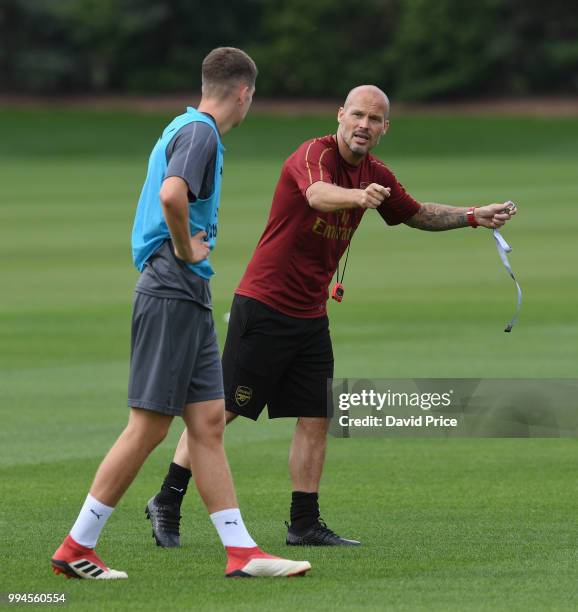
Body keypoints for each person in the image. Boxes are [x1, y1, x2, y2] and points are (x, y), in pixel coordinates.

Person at [146, 84, 517, 549]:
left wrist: (471, 215)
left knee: (316, 415)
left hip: (310, 313)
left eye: (375, 119)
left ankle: (303, 523)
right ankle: (167, 498)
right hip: (264, 305)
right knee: (225, 411)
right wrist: (359, 197)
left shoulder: (376, 172)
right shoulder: (314, 156)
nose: (364, 125)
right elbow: (319, 195)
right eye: (358, 115)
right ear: (341, 115)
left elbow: (416, 213)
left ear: (385, 129)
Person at [51, 47, 311, 580]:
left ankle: (242, 553)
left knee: (209, 424)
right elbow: (173, 195)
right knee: (148, 427)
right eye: (251, 99)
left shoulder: (184, 126)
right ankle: (77, 546)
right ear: (244, 92)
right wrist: (187, 250)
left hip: (187, 293)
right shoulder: (202, 133)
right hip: (172, 286)